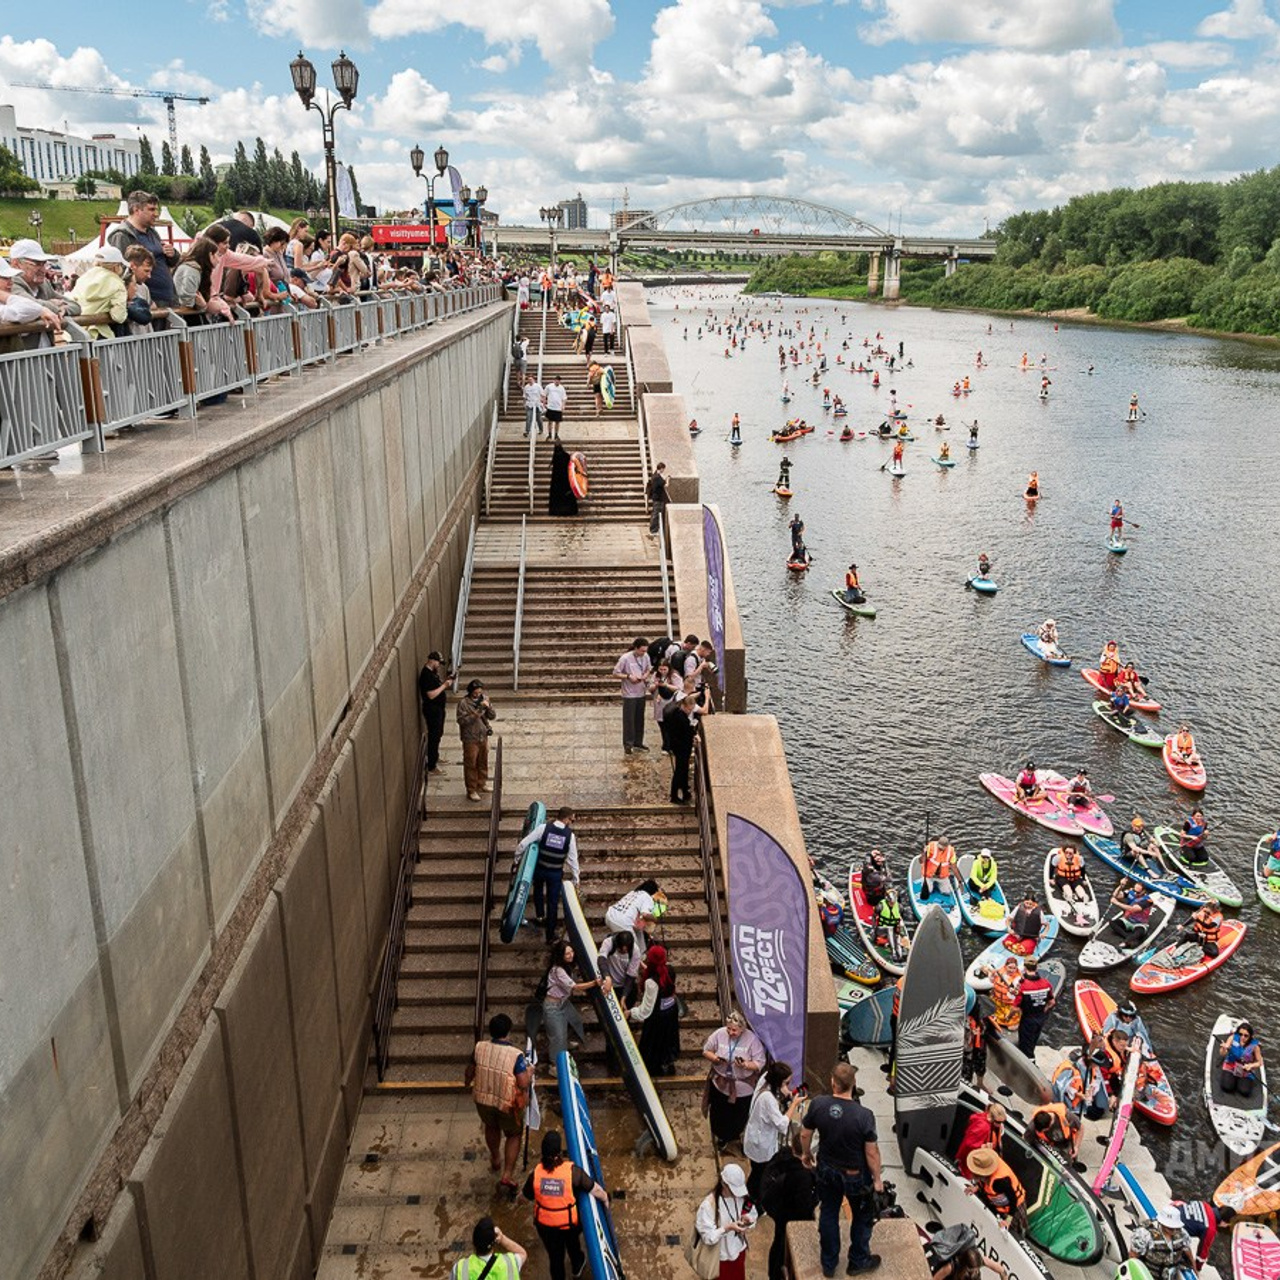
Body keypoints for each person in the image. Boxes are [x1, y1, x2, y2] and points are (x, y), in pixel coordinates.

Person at [800, 1062, 884, 1277]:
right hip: (855, 1175)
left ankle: (829, 1264)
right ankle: (858, 1260)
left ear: (833, 1082)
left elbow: (805, 1133)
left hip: (827, 1169)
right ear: (853, 1084)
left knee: (829, 1212)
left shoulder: (818, 1104)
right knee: (862, 1216)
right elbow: (871, 1152)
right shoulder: (864, 1115)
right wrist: (877, 1179)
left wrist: (806, 1153)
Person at [522, 1129, 609, 1280]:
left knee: (555, 1258)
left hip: (546, 1228)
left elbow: (527, 1195)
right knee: (573, 1245)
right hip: (569, 1226)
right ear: (559, 1152)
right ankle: (577, 1266)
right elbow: (594, 1188)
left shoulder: (535, 1175)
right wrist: (605, 1198)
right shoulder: (573, 1172)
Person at [465, 1014, 533, 1196]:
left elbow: (470, 1071)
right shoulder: (515, 1055)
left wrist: (467, 1083)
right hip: (506, 1104)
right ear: (508, 1032)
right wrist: (530, 1072)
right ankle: (507, 1174)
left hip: (483, 1100)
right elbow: (523, 1083)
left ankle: (495, 1158)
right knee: (514, 1134)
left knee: (491, 1126)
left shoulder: (479, 1047)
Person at [703, 1011, 767, 1150]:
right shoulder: (719, 1034)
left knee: (740, 1115)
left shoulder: (752, 1040)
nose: (730, 1032)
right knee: (719, 1113)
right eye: (729, 1029)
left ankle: (740, 1136)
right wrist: (715, 1059)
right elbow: (706, 1050)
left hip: (743, 1087)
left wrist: (745, 1064)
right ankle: (722, 1137)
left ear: (742, 1029)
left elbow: (760, 1063)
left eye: (734, 1030)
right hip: (721, 1084)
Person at [757, 1135, 818, 1280]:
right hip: (790, 1218)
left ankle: (773, 1274)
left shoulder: (783, 1156)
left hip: (779, 1211)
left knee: (778, 1244)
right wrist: (817, 1194)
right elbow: (804, 1207)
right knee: (784, 1252)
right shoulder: (802, 1177)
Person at [517, 807, 579, 942]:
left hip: (540, 869)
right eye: (572, 820)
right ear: (566, 819)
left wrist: (517, 859)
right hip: (555, 873)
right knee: (552, 903)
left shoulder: (543, 828)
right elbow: (572, 859)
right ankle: (550, 935)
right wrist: (576, 878)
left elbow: (523, 844)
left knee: (538, 891)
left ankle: (540, 916)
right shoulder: (570, 836)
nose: (571, 823)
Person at [108, 190, 179, 307]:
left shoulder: (152, 233)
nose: (156, 214)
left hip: (168, 298)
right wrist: (144, 302)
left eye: (156, 210)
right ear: (136, 210)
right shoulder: (122, 236)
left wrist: (173, 254)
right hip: (147, 302)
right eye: (151, 209)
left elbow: (170, 262)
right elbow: (122, 272)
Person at [744, 1062, 800, 1200]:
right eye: (786, 1083)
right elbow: (782, 1124)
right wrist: (794, 1104)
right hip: (761, 1144)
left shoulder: (765, 1079)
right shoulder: (768, 1099)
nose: (788, 1086)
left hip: (755, 1136)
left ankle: (753, 1192)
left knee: (757, 1171)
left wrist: (786, 1092)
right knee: (760, 1173)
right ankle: (755, 1198)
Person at [540, 940, 600, 1066]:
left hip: (563, 1003)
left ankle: (564, 1045)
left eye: (571, 952)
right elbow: (575, 987)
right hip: (553, 1007)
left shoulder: (567, 966)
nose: (571, 955)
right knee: (557, 1036)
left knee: (574, 1022)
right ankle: (554, 1064)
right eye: (567, 954)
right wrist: (594, 983)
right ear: (560, 955)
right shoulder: (558, 970)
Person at [694, 1163, 759, 1280]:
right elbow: (708, 1237)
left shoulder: (742, 1197)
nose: (736, 1195)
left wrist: (748, 1221)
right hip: (720, 1258)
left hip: (738, 1251)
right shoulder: (709, 1205)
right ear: (723, 1184)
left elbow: (753, 1213)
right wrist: (727, 1228)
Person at [628, 942, 680, 1076]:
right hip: (671, 1011)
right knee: (668, 1039)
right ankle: (668, 1061)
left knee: (653, 1044)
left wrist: (631, 1012)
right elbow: (662, 973)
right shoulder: (670, 969)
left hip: (657, 1017)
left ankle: (655, 1069)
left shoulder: (651, 982)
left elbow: (645, 1010)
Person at [68, 245, 129, 338]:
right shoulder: (117, 283)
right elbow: (118, 316)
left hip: (74, 332)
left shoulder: (83, 278)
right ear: (116, 266)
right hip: (98, 333)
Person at [964, 1146, 1027, 1231]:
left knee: (1014, 1231)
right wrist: (976, 1187)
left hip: (1014, 1209)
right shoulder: (986, 1169)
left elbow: (1013, 1200)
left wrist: (1008, 1221)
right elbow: (984, 1182)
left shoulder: (999, 1182)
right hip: (999, 1206)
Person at [1129, 1205, 1197, 1280]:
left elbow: (1189, 1254)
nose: (1174, 1230)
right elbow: (1133, 1256)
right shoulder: (1144, 1234)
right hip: (1148, 1275)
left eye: (1175, 1227)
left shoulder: (1182, 1234)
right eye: (1170, 1228)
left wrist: (1196, 1273)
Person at [457, 680, 496, 801]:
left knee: (483, 761)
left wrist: (488, 708)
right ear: (471, 692)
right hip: (470, 737)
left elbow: (492, 716)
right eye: (475, 693)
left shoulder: (485, 699)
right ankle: (471, 789)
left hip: (482, 736)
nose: (478, 695)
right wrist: (477, 712)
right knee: (471, 764)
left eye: (479, 693)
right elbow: (462, 721)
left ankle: (482, 783)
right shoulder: (463, 703)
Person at [605, 880, 667, 958]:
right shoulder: (647, 897)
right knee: (635, 949)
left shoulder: (633, 893)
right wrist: (655, 919)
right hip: (622, 923)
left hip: (610, 915)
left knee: (639, 932)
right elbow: (645, 915)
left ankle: (642, 952)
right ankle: (638, 958)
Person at [451, 1217, 527, 1279]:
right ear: (494, 1242)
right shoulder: (509, 1263)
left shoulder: (460, 1269)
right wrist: (502, 1238)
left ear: (474, 1242)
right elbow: (522, 1253)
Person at [612, 637, 652, 755]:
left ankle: (638, 742)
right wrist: (628, 676)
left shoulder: (646, 656)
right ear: (636, 648)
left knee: (639, 719)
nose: (643, 653)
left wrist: (645, 675)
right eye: (642, 650)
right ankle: (628, 744)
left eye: (645, 651)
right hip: (629, 693)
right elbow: (615, 673)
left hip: (641, 691)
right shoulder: (625, 658)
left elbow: (649, 668)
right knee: (629, 719)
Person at [417, 651, 454, 774]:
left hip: (438, 709)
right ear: (432, 660)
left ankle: (435, 756)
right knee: (434, 736)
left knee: (438, 734)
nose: (439, 665)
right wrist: (445, 686)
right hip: (432, 710)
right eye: (438, 663)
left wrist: (446, 681)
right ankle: (432, 765)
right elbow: (431, 695)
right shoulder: (426, 675)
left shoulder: (433, 673)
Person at [926, 1225, 1008, 1280]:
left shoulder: (979, 1260)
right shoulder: (951, 1267)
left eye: (977, 1269)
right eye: (973, 1270)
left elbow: (1001, 1270)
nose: (975, 1271)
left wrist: (1004, 1276)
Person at [1015, 956, 1055, 1056]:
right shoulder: (1046, 983)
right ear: (1036, 968)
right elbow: (1052, 1002)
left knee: (1025, 1045)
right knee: (1033, 1041)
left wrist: (1009, 1017)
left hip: (1027, 1019)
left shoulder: (1023, 986)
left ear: (1025, 968)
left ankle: (1029, 1062)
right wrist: (1044, 1009)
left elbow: (1015, 1007)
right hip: (1040, 1018)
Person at [955, 1101, 1005, 1173]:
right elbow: (969, 1145)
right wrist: (984, 1148)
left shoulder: (983, 1118)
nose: (1000, 1125)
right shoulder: (983, 1127)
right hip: (968, 1164)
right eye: (998, 1122)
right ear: (992, 1118)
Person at [1218, 1020, 1263, 1098]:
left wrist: (1251, 1066)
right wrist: (1223, 1048)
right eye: (1240, 1034)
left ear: (1250, 1036)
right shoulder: (1232, 1038)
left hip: (1245, 1070)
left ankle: (1240, 1081)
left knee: (1244, 1091)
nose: (1242, 1037)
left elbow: (1259, 1062)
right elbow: (1222, 1054)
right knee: (1227, 1087)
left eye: (1246, 1035)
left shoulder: (1255, 1047)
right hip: (1231, 1066)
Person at [1007, 889, 1044, 955]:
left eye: (1030, 904)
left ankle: (1027, 944)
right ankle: (1019, 940)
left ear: (1034, 904)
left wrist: (1044, 933)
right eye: (1027, 903)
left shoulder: (1038, 912)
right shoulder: (1019, 908)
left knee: (1021, 950)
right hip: (1018, 933)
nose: (1028, 905)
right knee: (1007, 943)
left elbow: (1046, 925)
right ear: (1024, 901)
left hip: (1031, 936)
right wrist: (1009, 929)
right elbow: (1008, 919)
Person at [548, 442, 579, 517]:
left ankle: (557, 511)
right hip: (566, 479)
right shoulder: (566, 456)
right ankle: (570, 510)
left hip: (557, 482)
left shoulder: (556, 457)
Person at [647, 462, 668, 536]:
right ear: (661, 468)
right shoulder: (657, 477)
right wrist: (667, 479)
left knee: (655, 513)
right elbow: (665, 484)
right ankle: (653, 530)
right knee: (656, 514)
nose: (663, 470)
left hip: (656, 497)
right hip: (658, 498)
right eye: (663, 469)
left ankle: (654, 529)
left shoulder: (655, 475)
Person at [544, 374, 567, 441]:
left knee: (557, 422)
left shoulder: (561, 388)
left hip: (558, 407)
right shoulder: (549, 386)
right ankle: (549, 434)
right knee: (550, 421)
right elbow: (544, 394)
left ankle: (556, 435)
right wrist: (544, 403)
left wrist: (563, 405)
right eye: (556, 380)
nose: (557, 382)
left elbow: (564, 398)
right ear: (554, 380)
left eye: (558, 380)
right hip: (551, 407)